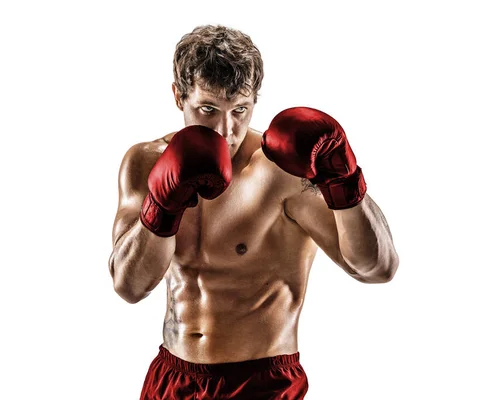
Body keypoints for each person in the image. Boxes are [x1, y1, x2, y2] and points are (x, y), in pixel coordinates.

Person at [108, 24, 399, 400]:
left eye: (240, 110)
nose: (225, 130)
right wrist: (162, 204)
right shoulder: (145, 162)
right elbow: (128, 287)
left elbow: (377, 268)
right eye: (207, 110)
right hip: (173, 378)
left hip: (260, 383)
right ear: (179, 97)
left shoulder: (283, 171)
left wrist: (343, 180)